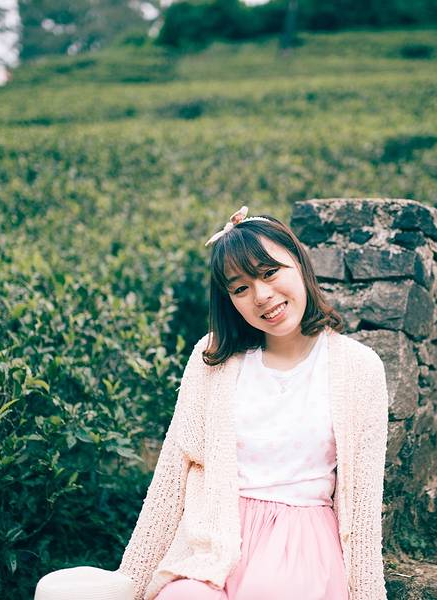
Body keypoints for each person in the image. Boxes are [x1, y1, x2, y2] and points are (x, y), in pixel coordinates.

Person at [117, 206, 389, 600]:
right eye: (241, 288)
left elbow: (362, 509)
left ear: (299, 263)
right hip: (212, 543)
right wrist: (127, 582)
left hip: (301, 551)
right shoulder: (214, 359)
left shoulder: (359, 368)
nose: (262, 296)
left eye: (270, 272)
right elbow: (170, 482)